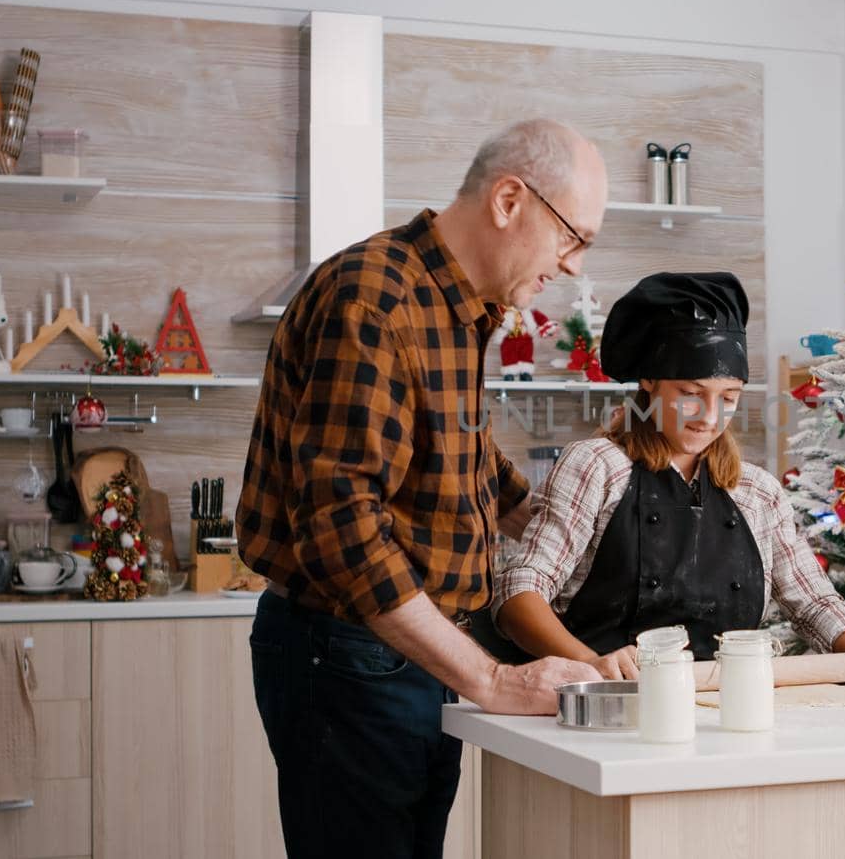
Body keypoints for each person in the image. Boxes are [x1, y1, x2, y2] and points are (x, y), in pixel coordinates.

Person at [238, 119, 608, 857]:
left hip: (407, 657)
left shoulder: (459, 307)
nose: (571, 267)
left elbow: (461, 456)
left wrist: (559, 518)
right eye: (573, 238)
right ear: (509, 200)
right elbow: (342, 526)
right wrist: (491, 680)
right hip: (350, 659)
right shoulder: (375, 298)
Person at [487, 272, 845, 681]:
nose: (710, 417)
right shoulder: (596, 467)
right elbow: (518, 591)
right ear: (650, 382)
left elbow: (812, 601)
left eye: (728, 398)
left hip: (719, 707)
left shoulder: (757, 492)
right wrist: (590, 665)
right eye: (691, 395)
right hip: (607, 703)